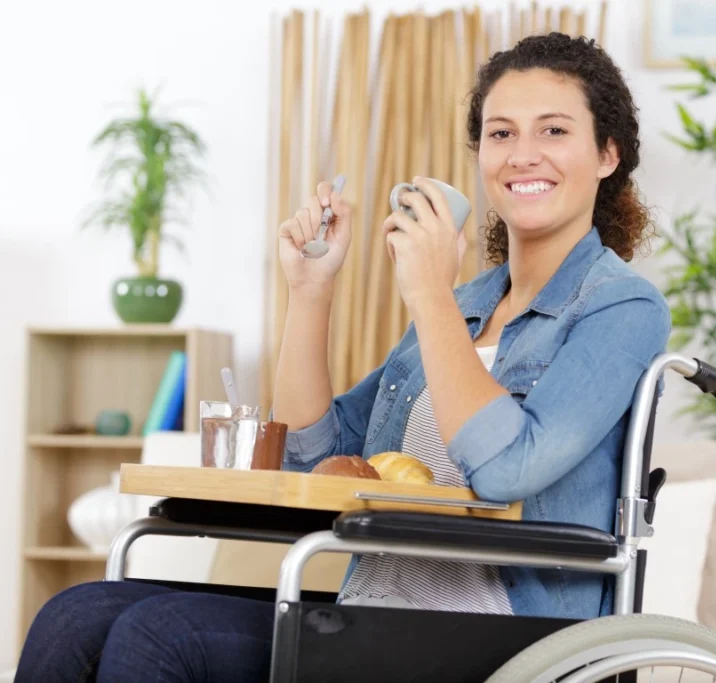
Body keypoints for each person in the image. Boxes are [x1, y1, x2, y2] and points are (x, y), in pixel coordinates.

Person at [15, 31, 670, 683]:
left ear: (607, 154)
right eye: (501, 134)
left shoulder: (620, 309)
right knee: (74, 613)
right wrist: (311, 291)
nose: (523, 154)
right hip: (378, 608)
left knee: (160, 637)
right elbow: (311, 456)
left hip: (508, 635)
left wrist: (428, 294)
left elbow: (504, 468)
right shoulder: (465, 304)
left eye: (553, 131)